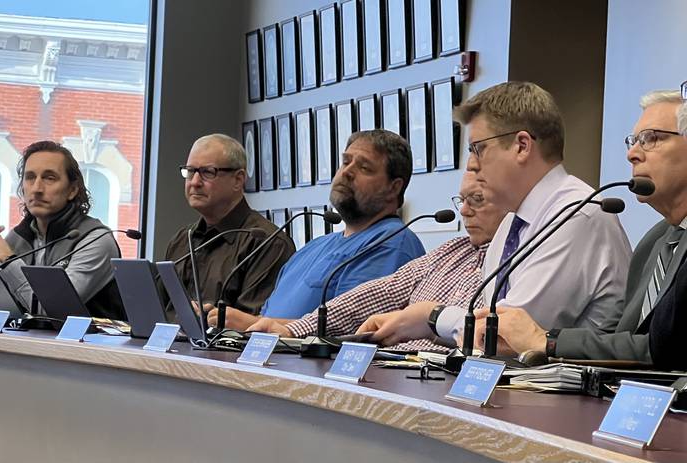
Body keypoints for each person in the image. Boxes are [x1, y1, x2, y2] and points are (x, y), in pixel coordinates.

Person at [355, 81, 631, 347]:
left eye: (478, 148)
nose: (472, 164)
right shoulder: (512, 223)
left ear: (522, 146)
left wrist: (431, 316)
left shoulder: (576, 215)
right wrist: (419, 322)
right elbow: (480, 334)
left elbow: (502, 337)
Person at [472, 89, 687, 371]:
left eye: (651, 139)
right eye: (633, 141)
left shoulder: (581, 213)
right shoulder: (656, 240)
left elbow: (663, 349)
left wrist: (546, 341)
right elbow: (621, 340)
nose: (632, 154)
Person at [249, 172, 507, 353]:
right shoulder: (451, 250)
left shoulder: (514, 260)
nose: (463, 211)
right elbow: (380, 292)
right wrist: (295, 331)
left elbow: (487, 335)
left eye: (477, 200)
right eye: (462, 200)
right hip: (393, 370)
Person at [207, 130, 426, 330]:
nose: (347, 172)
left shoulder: (393, 243)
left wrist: (251, 324)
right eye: (345, 162)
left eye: (364, 168)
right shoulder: (314, 247)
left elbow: (355, 328)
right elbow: (269, 313)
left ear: (393, 187)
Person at [0, 140, 124, 320]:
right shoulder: (19, 237)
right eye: (30, 177)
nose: (37, 189)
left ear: (72, 190)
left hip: (89, 346)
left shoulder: (95, 239)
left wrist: (7, 258)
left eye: (49, 178)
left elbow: (51, 313)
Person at [164, 134, 294, 314]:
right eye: (190, 171)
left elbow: (253, 326)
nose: (194, 182)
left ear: (238, 179)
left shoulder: (267, 243)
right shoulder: (181, 240)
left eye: (207, 172)